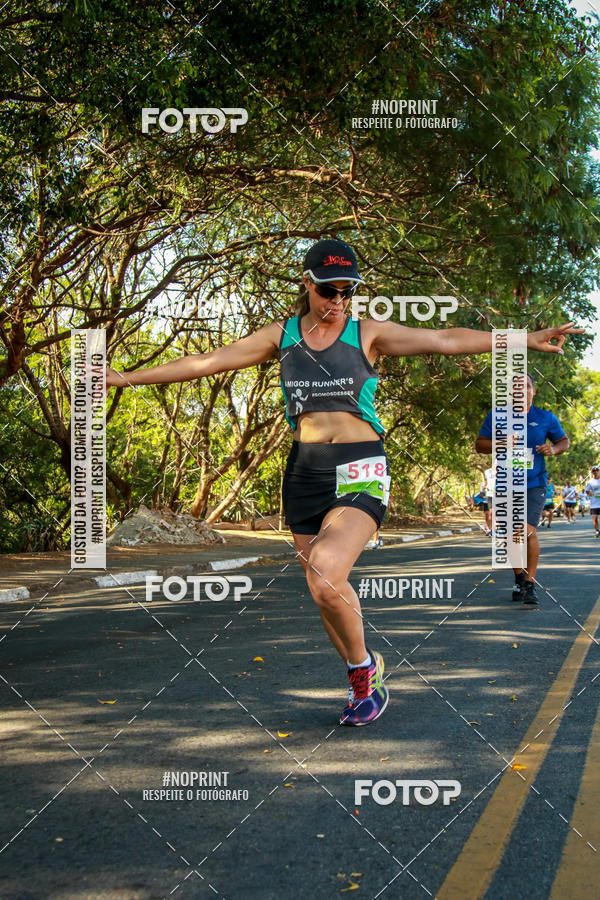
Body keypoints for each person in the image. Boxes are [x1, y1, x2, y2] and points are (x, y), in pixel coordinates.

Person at [105, 238, 580, 724]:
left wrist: (522, 339)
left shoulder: (366, 333)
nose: (337, 301)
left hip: (361, 464)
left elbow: (445, 338)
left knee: (328, 572)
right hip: (304, 470)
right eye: (328, 290)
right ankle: (363, 674)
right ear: (307, 284)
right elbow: (207, 362)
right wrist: (125, 378)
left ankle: (363, 673)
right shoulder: (281, 335)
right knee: (320, 587)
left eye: (347, 291)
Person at [475, 374, 570, 605]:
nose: (522, 391)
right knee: (510, 535)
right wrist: (502, 442)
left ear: (533, 391)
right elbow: (480, 444)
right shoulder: (497, 416)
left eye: (526, 386)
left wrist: (554, 450)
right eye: (516, 387)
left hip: (535, 483)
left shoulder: (545, 418)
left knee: (527, 530)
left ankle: (530, 583)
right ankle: (518, 577)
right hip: (506, 484)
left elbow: (564, 441)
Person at [585, 466, 600, 538]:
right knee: (594, 518)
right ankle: (597, 531)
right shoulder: (590, 482)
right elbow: (587, 490)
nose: (596, 472)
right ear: (592, 472)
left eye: (597, 470)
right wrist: (590, 493)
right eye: (594, 471)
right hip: (594, 503)